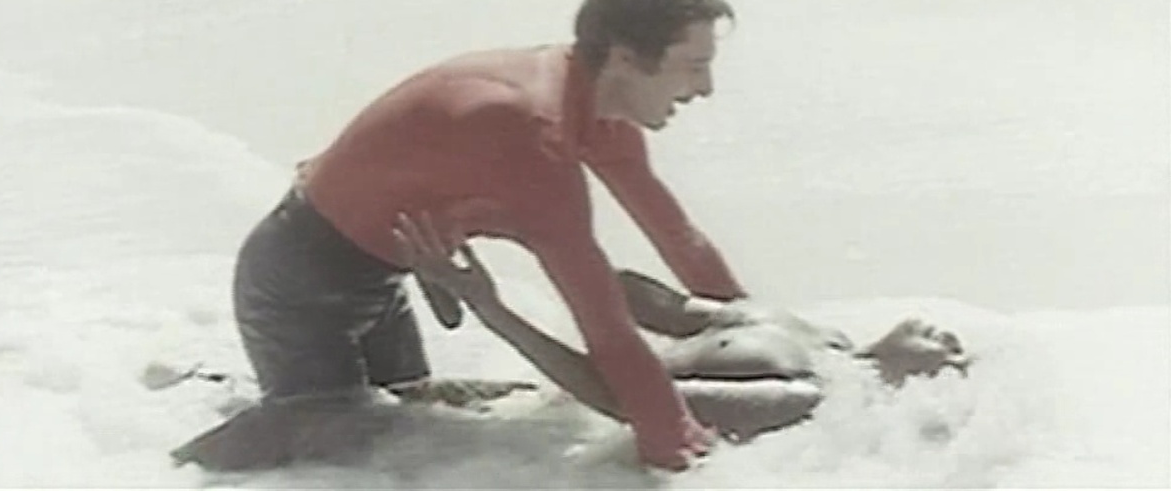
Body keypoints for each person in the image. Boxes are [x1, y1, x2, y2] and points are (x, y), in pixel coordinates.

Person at [206, 0, 751, 472]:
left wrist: (756, 332)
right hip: (299, 283)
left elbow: (680, 240)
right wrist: (675, 446)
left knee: (412, 424)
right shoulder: (532, 136)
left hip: (381, 276)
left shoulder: (599, 112)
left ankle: (219, 402)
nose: (705, 88)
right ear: (625, 58)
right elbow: (605, 328)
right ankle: (172, 469)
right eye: (694, 66)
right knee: (339, 456)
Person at [393, 213, 973, 445]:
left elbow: (625, 401)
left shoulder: (803, 395)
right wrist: (530, 234)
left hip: (521, 423)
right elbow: (663, 308)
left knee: (367, 413)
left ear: (922, 382)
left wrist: (490, 309)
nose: (949, 336)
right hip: (520, 401)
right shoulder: (819, 336)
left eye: (954, 355)